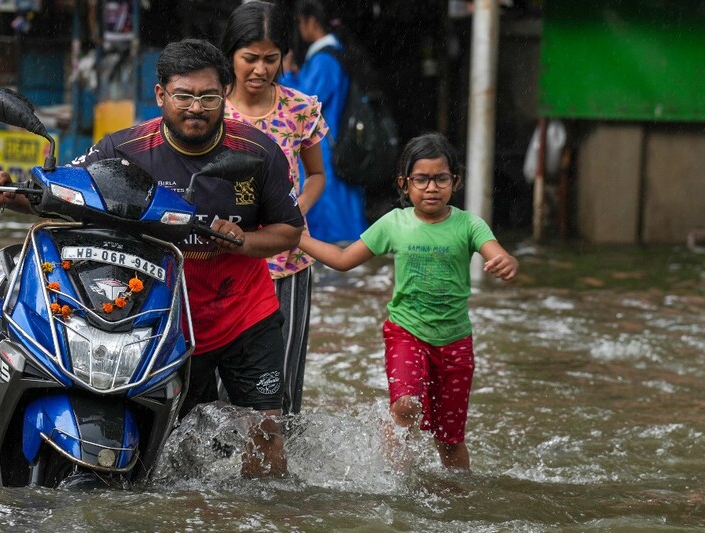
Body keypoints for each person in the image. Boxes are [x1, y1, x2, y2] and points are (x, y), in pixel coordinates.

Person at [0, 39, 304, 478]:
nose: (196, 108)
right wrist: (8, 193)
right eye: (183, 96)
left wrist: (242, 240)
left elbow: (289, 231)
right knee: (170, 449)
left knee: (266, 434)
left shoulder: (257, 152)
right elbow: (67, 195)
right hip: (166, 318)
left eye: (208, 97)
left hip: (246, 315)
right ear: (160, 95)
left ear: (225, 93)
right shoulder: (123, 149)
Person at [297, 133, 520, 470]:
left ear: (455, 182)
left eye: (441, 179)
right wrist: (297, 238)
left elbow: (498, 252)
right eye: (422, 179)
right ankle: (396, 477)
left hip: (456, 342)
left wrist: (506, 262)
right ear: (404, 184)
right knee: (405, 407)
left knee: (450, 439)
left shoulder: (469, 224)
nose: (432, 187)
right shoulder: (394, 223)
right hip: (406, 334)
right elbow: (343, 259)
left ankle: (458, 495)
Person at [219, 0, 328, 415]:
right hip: (224, 260)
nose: (260, 69)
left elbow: (317, 176)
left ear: (284, 56)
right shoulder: (210, 110)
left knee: (280, 383)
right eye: (250, 58)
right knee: (217, 382)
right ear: (231, 55)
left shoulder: (300, 109)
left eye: (271, 58)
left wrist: (291, 214)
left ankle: (278, 470)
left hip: (288, 262)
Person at [279, 0, 367, 244]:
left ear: (311, 21)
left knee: (330, 208)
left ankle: (338, 258)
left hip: (326, 145)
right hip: (333, 141)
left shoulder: (324, 58)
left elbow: (306, 100)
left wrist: (285, 74)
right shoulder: (333, 52)